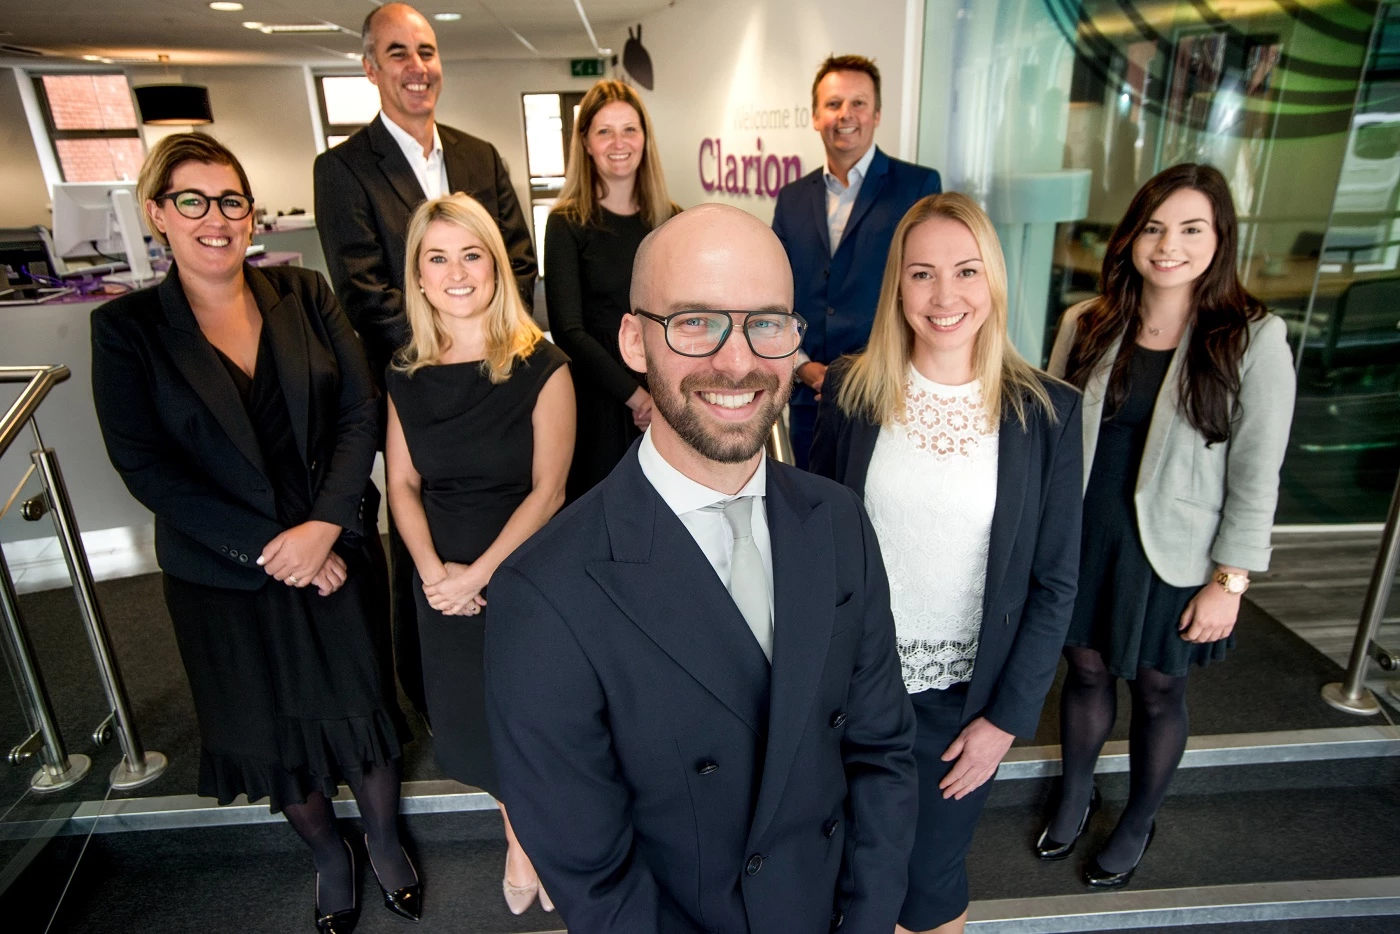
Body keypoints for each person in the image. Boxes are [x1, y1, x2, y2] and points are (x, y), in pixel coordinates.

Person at [484, 205, 918, 932]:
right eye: (695, 322)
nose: (738, 360)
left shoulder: (840, 521)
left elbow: (882, 754)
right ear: (632, 338)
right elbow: (599, 881)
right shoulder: (544, 595)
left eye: (766, 322)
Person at [92, 134, 419, 934]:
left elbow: (357, 412)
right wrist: (277, 551)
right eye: (192, 201)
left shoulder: (305, 293)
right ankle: (328, 856)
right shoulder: (126, 328)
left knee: (362, 711)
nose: (216, 218)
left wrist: (324, 529)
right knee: (269, 734)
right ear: (157, 214)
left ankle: (382, 837)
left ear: (251, 214)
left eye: (231, 200)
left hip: (335, 551)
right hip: (223, 578)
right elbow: (147, 469)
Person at [810, 193, 1082, 934]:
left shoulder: (1047, 413)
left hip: (959, 704)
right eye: (922, 273)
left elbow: (1054, 584)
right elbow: (814, 542)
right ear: (898, 285)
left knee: (926, 886)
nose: (944, 296)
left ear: (992, 278)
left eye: (965, 271)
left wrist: (1006, 720)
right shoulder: (851, 390)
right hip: (848, 687)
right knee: (845, 872)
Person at [1039, 163, 1296, 886]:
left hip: (1175, 552)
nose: (1168, 245)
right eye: (1153, 227)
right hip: (1085, 535)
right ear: (1130, 237)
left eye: (1190, 229)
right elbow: (1049, 434)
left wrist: (1232, 580)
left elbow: (1256, 471)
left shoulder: (1251, 336)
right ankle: (1075, 791)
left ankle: (1140, 818)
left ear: (1219, 239)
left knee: (1158, 687)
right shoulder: (1086, 321)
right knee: (1084, 672)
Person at [314, 0, 537, 724]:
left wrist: (491, 346)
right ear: (371, 69)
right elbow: (365, 288)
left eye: (428, 50)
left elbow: (519, 260)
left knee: (517, 508)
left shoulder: (479, 155)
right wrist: (445, 353)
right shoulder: (343, 170)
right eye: (399, 54)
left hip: (502, 376)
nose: (418, 67)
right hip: (417, 387)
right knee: (425, 524)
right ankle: (432, 691)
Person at [384, 193, 574, 914]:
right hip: (440, 578)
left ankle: (532, 846)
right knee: (481, 727)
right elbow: (401, 483)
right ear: (420, 276)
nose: (457, 273)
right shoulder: (403, 372)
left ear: (497, 267)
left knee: (533, 722)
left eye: (473, 255)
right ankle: (524, 843)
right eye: (438, 258)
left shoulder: (542, 364)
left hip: (522, 572)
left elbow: (549, 491)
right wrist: (435, 575)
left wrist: (480, 576)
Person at [772, 54, 942, 468]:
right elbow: (775, 293)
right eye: (833, 104)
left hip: (886, 393)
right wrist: (803, 366)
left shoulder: (917, 186)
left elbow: (928, 287)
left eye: (859, 103)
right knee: (810, 510)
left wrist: (874, 371)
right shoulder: (792, 198)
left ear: (877, 113)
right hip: (810, 397)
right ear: (815, 117)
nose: (845, 115)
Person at [545, 79, 680, 501]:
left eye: (629, 129)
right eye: (604, 131)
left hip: (665, 393)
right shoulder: (567, 223)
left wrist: (662, 397)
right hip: (601, 398)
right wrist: (637, 398)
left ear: (644, 138)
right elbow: (568, 330)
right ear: (585, 142)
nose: (618, 142)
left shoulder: (671, 218)